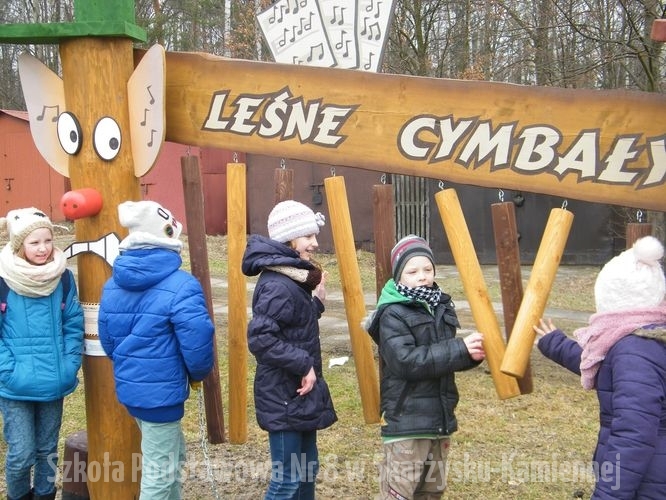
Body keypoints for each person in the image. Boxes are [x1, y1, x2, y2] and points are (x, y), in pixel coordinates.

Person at [98, 200, 215, 500]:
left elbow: (107, 340)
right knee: (159, 476)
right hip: (163, 392)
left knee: (171, 459)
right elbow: (198, 338)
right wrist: (197, 373)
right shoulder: (182, 285)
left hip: (133, 389)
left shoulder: (112, 286)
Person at [535, 235, 666, 499]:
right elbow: (606, 367)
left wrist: (609, 494)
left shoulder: (634, 352)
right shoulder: (643, 336)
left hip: (648, 482)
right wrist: (556, 344)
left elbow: (633, 438)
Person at [364, 234, 486, 500]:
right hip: (407, 420)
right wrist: (459, 349)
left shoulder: (440, 306)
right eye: (413, 271)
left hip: (439, 419)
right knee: (399, 492)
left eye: (427, 269)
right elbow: (407, 362)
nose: (422, 277)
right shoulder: (392, 313)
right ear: (399, 275)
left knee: (431, 491)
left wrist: (470, 355)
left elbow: (442, 358)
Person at [242, 199, 337, 500]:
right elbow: (261, 339)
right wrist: (304, 364)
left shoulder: (291, 278)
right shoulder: (278, 285)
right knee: (287, 480)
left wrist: (316, 303)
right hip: (283, 395)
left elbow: (293, 325)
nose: (315, 243)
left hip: (298, 393)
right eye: (308, 236)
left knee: (306, 470)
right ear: (290, 239)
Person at [0, 207, 84, 500]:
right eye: (34, 242)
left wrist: (69, 363)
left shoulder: (63, 278)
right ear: (19, 245)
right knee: (21, 454)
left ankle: (46, 495)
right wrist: (7, 370)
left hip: (53, 379)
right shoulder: (3, 280)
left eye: (48, 240)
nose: (43, 248)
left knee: (47, 451)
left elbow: (73, 323)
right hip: (15, 384)